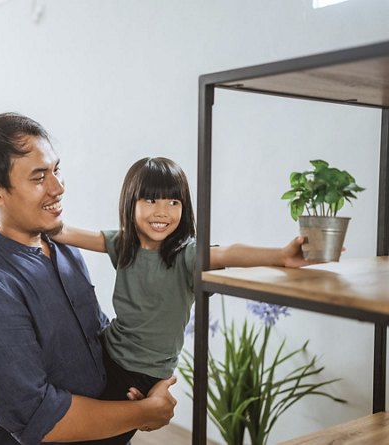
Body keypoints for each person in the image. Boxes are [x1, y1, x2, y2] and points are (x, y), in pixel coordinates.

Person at [43, 157, 309, 442]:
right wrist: (2, 213)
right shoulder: (123, 245)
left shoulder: (186, 255)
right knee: (67, 421)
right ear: (130, 202)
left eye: (173, 202)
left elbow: (227, 252)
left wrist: (280, 255)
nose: (163, 212)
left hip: (141, 372)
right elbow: (63, 232)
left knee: (102, 437)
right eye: (150, 200)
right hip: (106, 351)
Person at [0, 113, 177, 445]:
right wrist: (145, 412)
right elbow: (41, 420)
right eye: (39, 177)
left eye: (56, 170)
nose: (58, 187)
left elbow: (98, 340)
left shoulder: (62, 248)